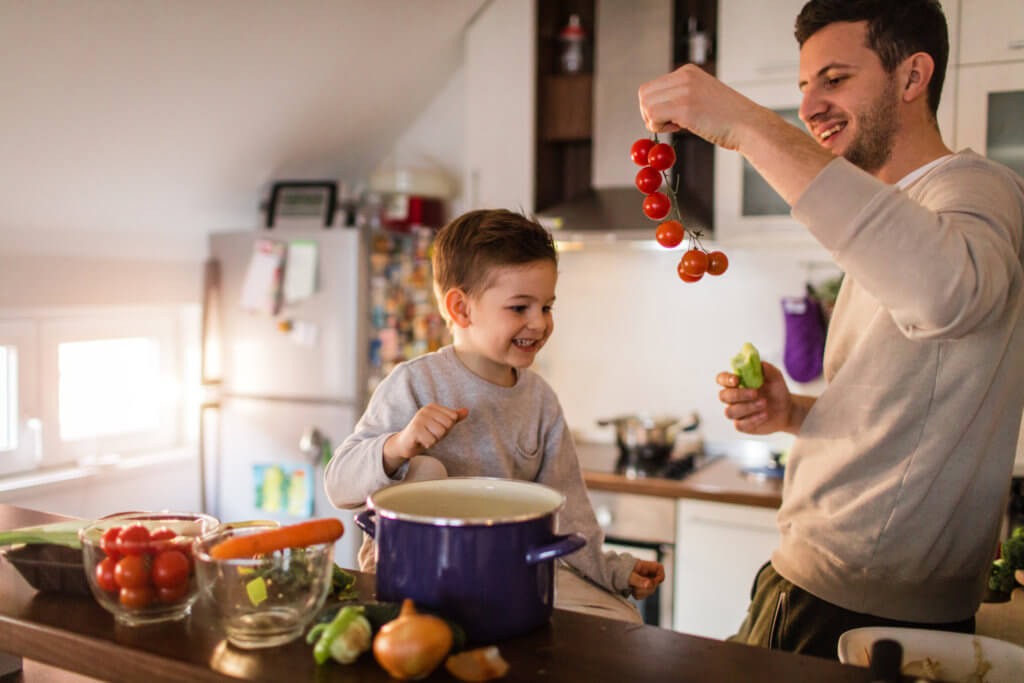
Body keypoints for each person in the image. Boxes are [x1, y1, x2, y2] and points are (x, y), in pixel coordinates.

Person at [638, 0, 1024, 659]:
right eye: (804, 87)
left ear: (912, 77)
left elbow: (944, 295)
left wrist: (744, 124)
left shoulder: (974, 191)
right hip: (826, 585)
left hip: (854, 603)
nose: (810, 105)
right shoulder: (897, 215)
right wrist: (799, 412)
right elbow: (914, 399)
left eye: (835, 79)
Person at [324, 208, 665, 623]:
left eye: (547, 306)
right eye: (521, 307)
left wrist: (612, 570)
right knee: (427, 469)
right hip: (412, 579)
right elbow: (338, 484)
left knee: (624, 620)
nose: (539, 323)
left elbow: (568, 510)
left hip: (507, 573)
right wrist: (397, 447)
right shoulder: (413, 384)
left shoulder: (540, 401)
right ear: (461, 309)